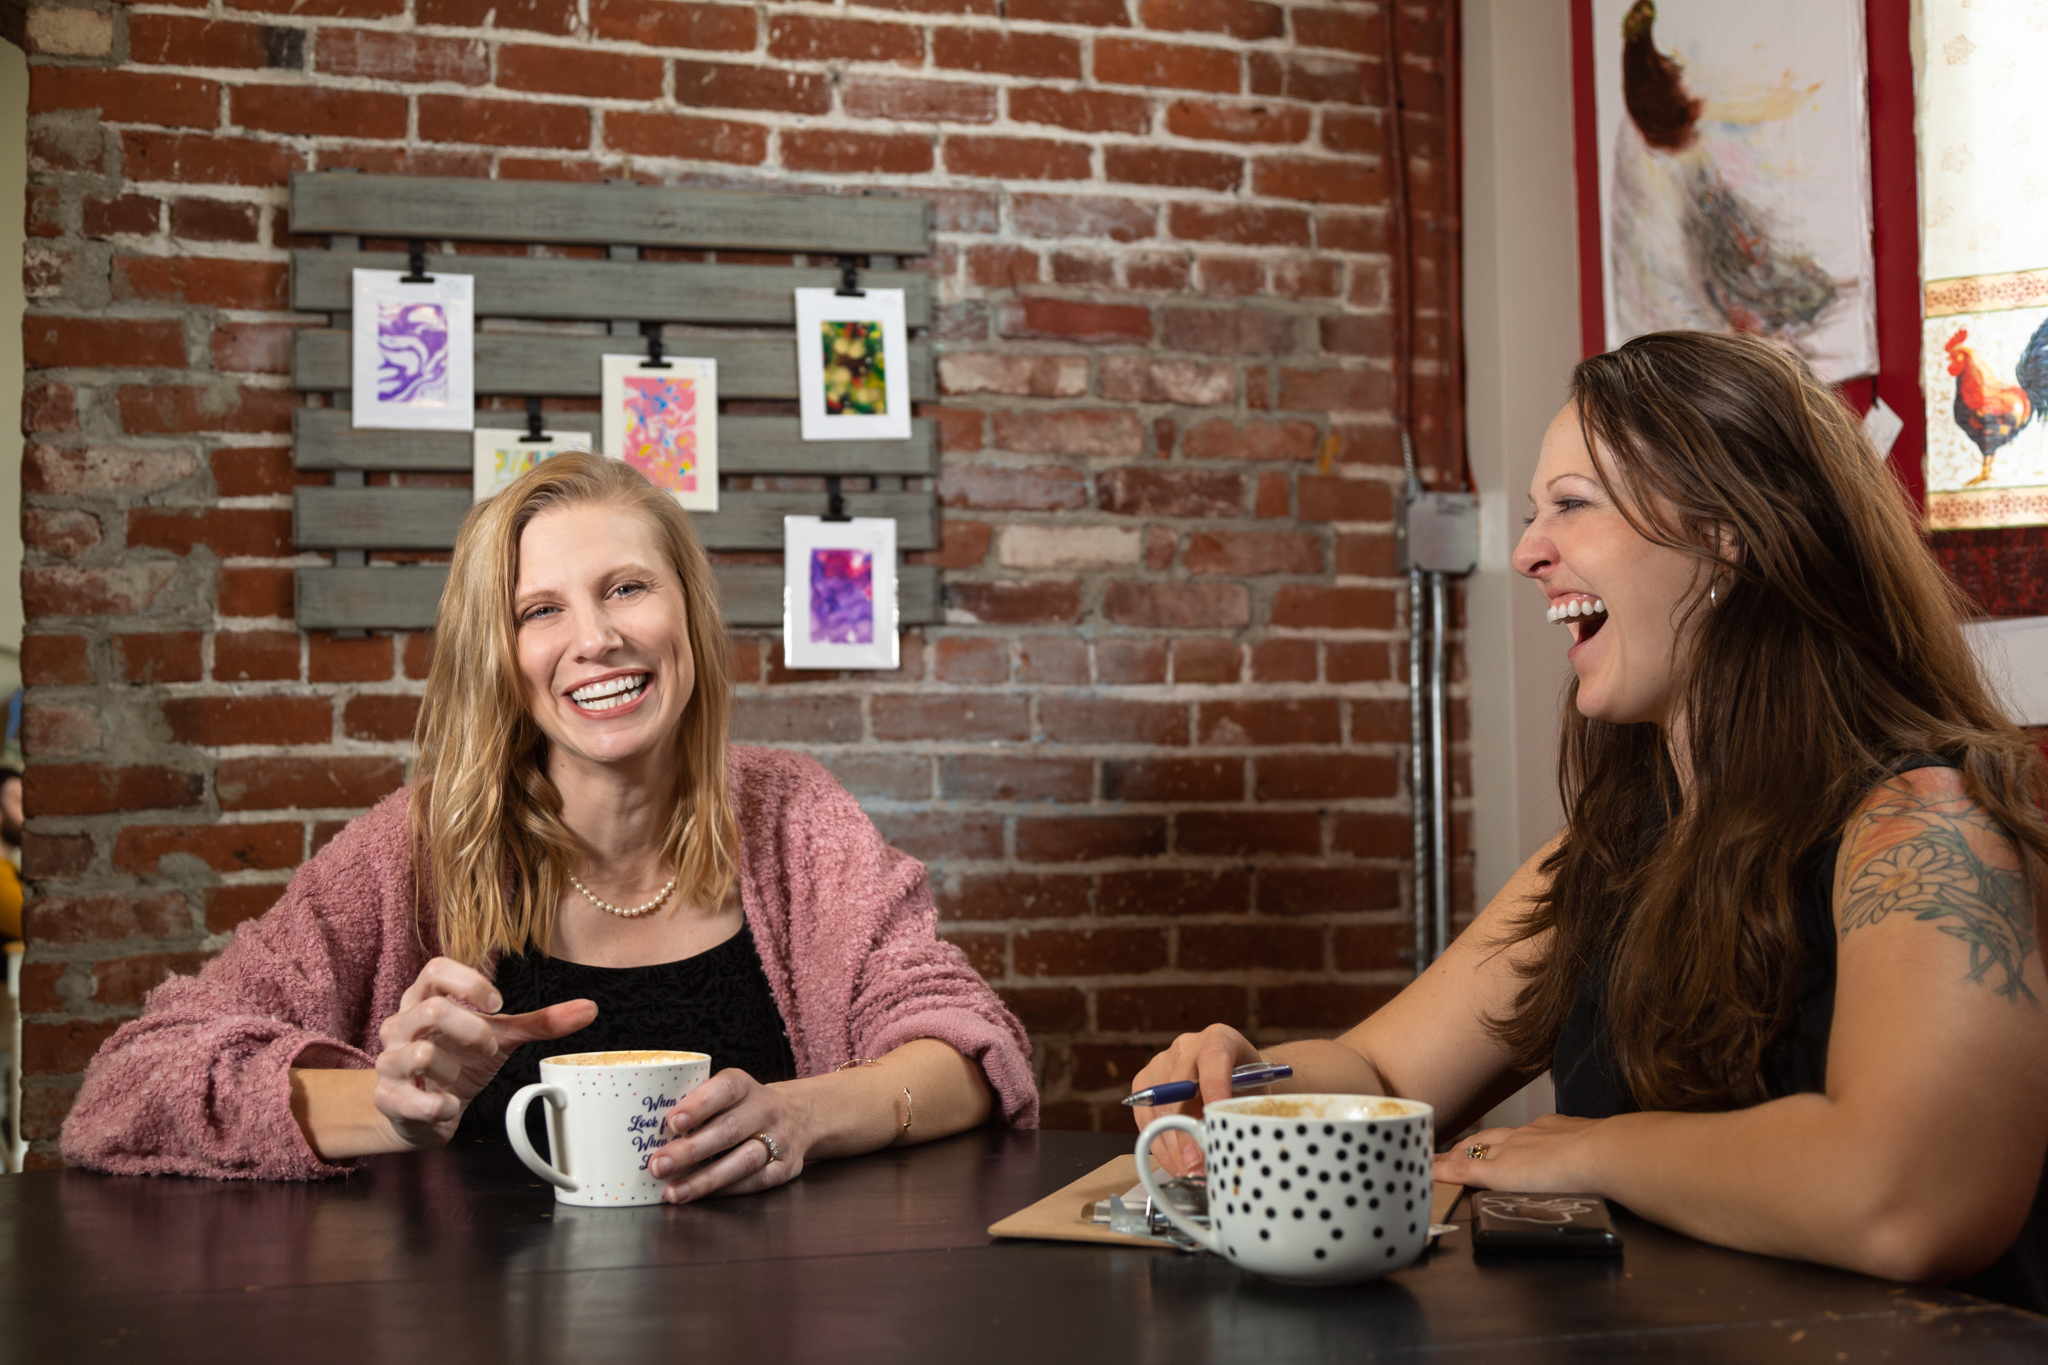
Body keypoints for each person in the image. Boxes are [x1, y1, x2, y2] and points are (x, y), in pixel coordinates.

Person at [1129, 332, 2048, 1308]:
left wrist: (1598, 1152)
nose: (1525, 552)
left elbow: (1907, 1202)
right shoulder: (1611, 853)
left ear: (1727, 533)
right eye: (1532, 515)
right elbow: (1380, 1067)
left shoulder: (1923, 825)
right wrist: (1240, 1081)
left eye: (1571, 505)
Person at [63, 452, 1036, 1197]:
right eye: (539, 610)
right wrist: (392, 1109)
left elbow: (966, 1048)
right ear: (499, 656)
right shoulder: (414, 851)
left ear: (687, 614)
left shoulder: (795, 820)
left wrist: (802, 1116)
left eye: (625, 587)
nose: (595, 638)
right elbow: (125, 1090)